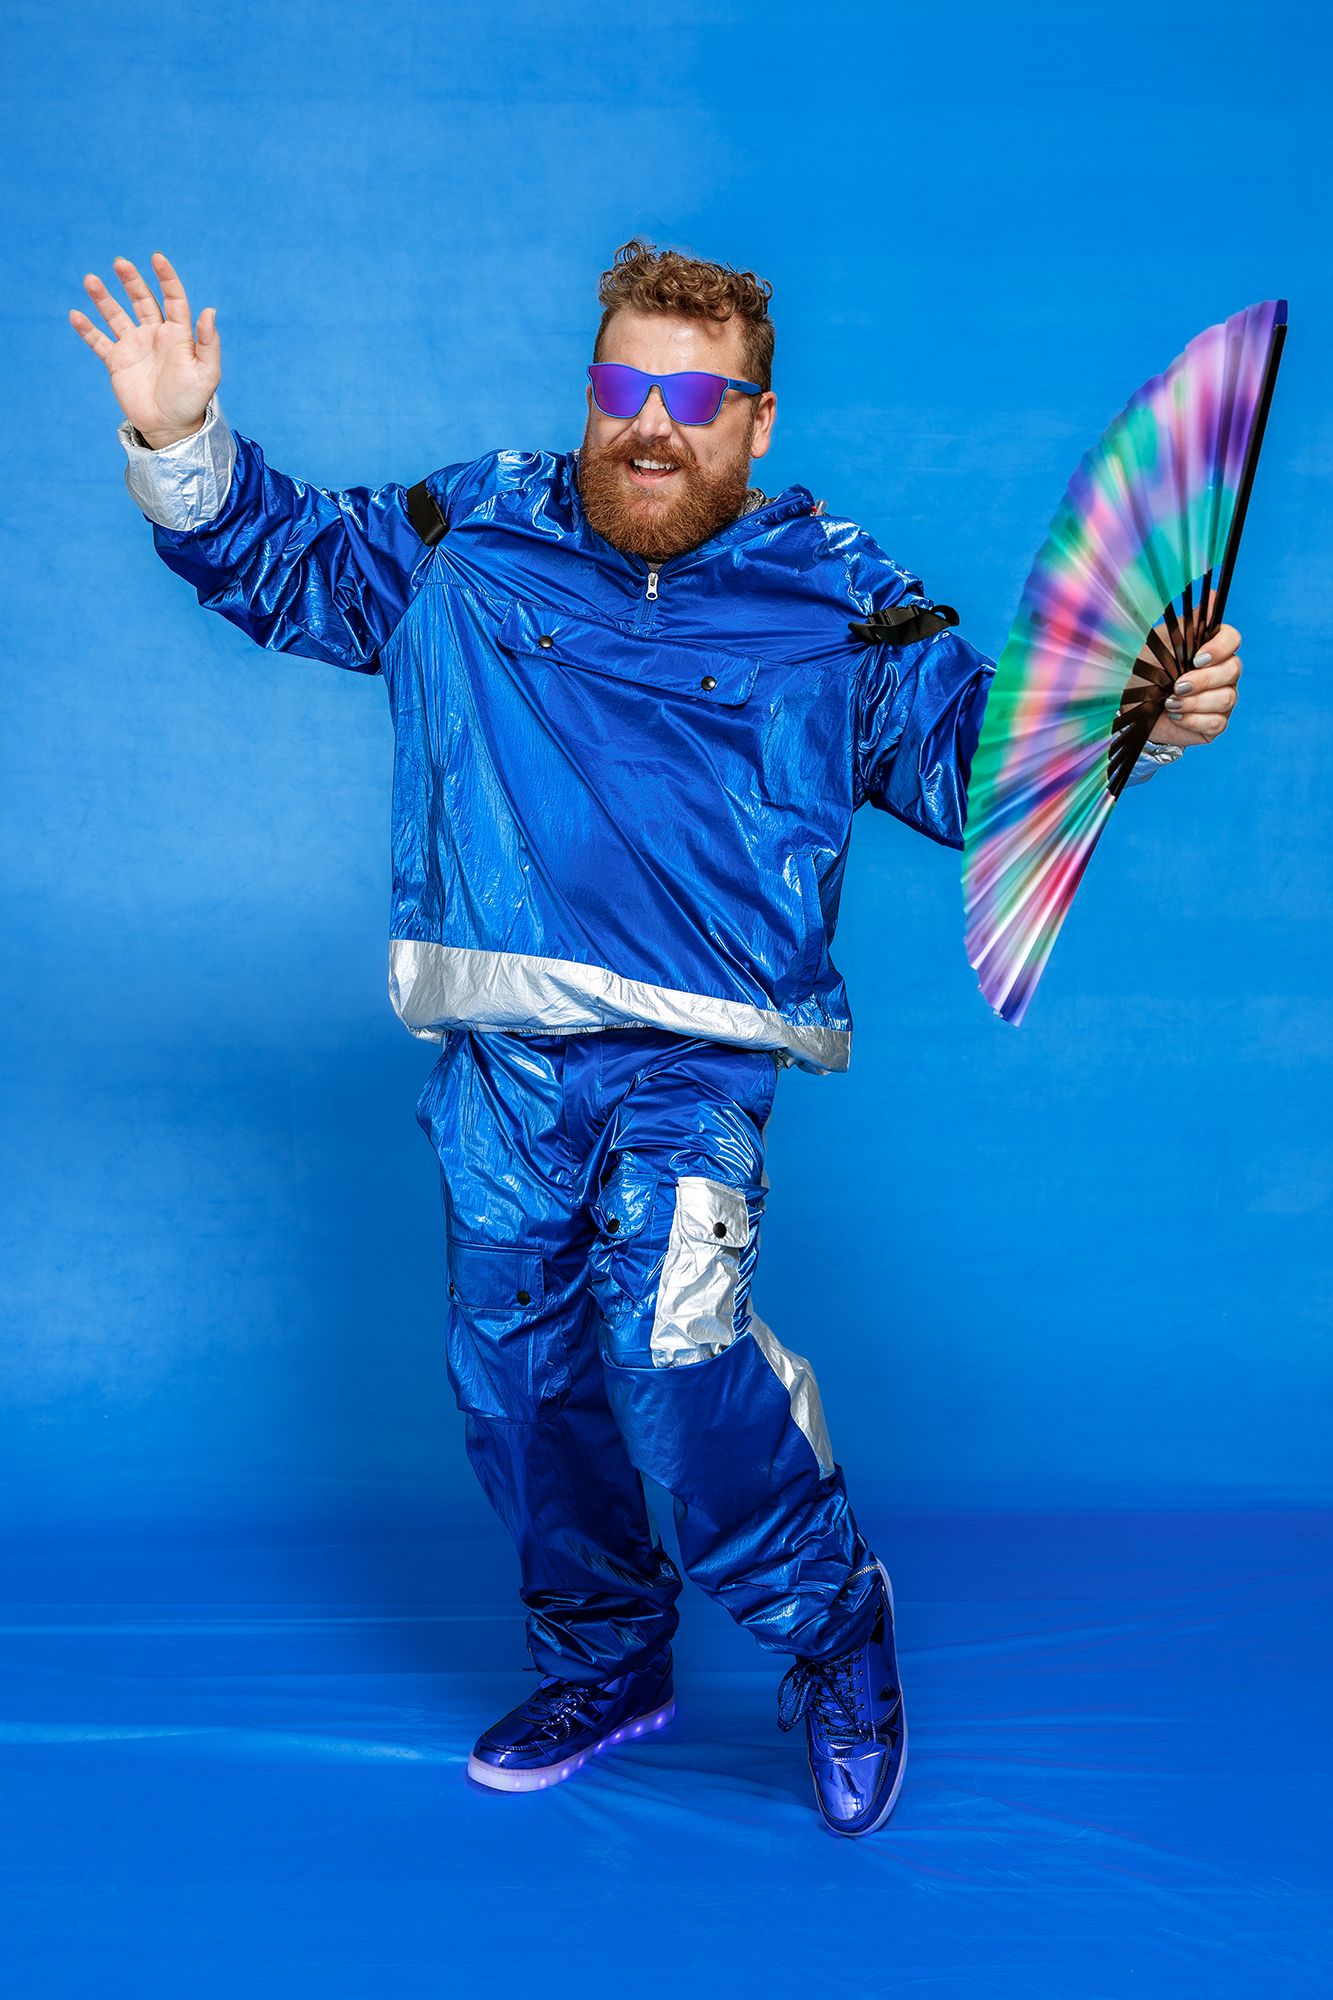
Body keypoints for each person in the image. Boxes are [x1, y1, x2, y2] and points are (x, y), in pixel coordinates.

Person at [69, 240, 1243, 1838]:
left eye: (695, 399)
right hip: (501, 1060)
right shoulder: (470, 534)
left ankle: (832, 1624)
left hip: (691, 1066)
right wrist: (177, 435)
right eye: (624, 387)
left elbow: (981, 759)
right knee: (519, 1378)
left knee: (670, 1344)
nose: (651, 425)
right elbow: (287, 563)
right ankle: (607, 1657)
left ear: (757, 421)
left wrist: (1134, 717)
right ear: (588, 394)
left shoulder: (834, 596)